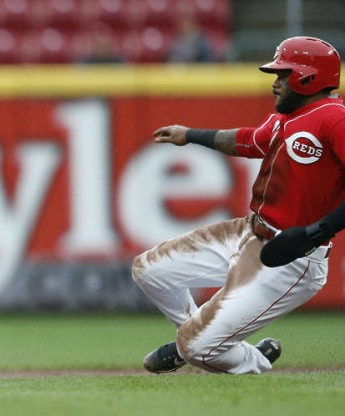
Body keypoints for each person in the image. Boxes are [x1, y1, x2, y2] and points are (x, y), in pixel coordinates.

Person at [132, 36, 344, 374]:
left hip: (291, 257)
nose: (275, 83)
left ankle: (231, 355)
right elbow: (246, 141)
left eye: (283, 75)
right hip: (249, 232)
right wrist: (190, 134)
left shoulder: (335, 119)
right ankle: (206, 340)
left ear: (308, 78)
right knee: (150, 270)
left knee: (197, 348)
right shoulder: (286, 116)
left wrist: (316, 232)